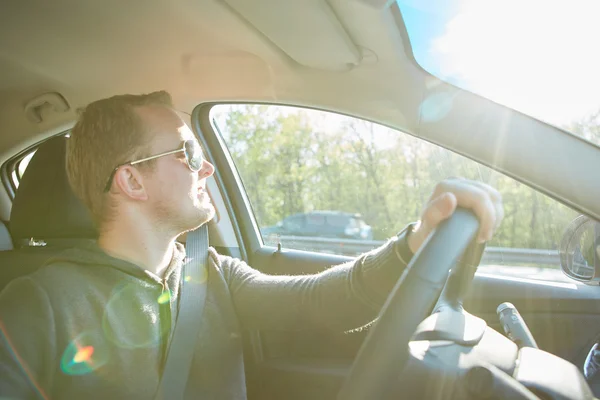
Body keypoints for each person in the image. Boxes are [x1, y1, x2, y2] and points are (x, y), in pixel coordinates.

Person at [0, 91, 503, 399]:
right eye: (188, 151)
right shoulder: (36, 305)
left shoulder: (212, 274)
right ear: (132, 182)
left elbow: (324, 301)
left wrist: (415, 241)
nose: (207, 166)